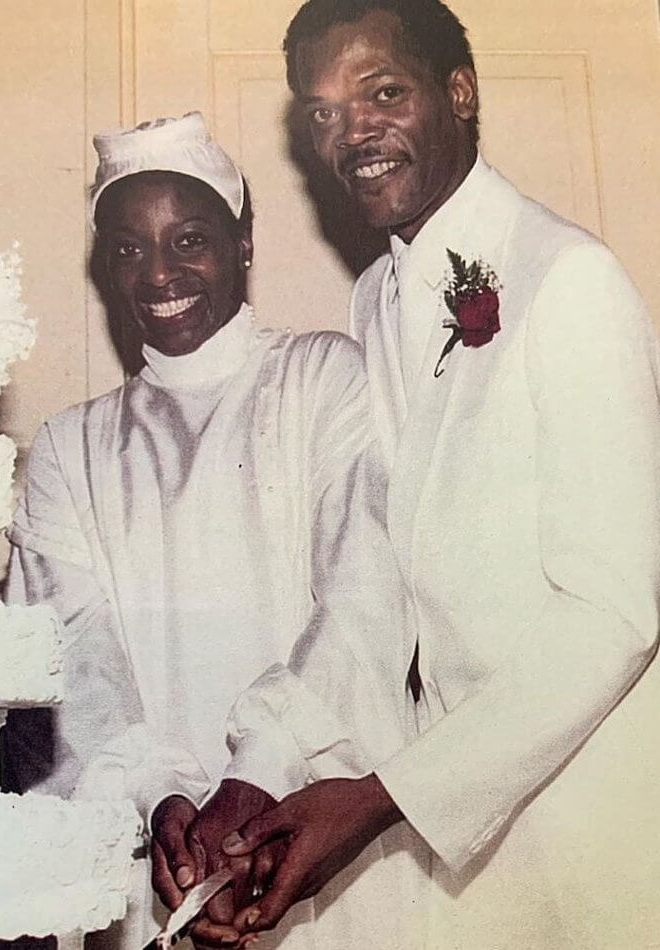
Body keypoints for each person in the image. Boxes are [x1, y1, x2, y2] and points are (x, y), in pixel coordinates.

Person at [199, 2, 660, 947]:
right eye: (322, 112)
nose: (352, 132)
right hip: (464, 837)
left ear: (460, 91)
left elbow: (616, 613)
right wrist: (268, 764)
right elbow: (382, 568)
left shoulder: (569, 278)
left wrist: (382, 798)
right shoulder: (375, 297)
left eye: (382, 93)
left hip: (596, 821)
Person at [3, 112, 424, 950]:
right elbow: (73, 662)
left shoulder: (324, 377)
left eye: (189, 239)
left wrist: (257, 777)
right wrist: (165, 801)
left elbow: (364, 595)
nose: (160, 273)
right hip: (160, 862)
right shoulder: (68, 447)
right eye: (128, 249)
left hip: (323, 829)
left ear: (243, 244)